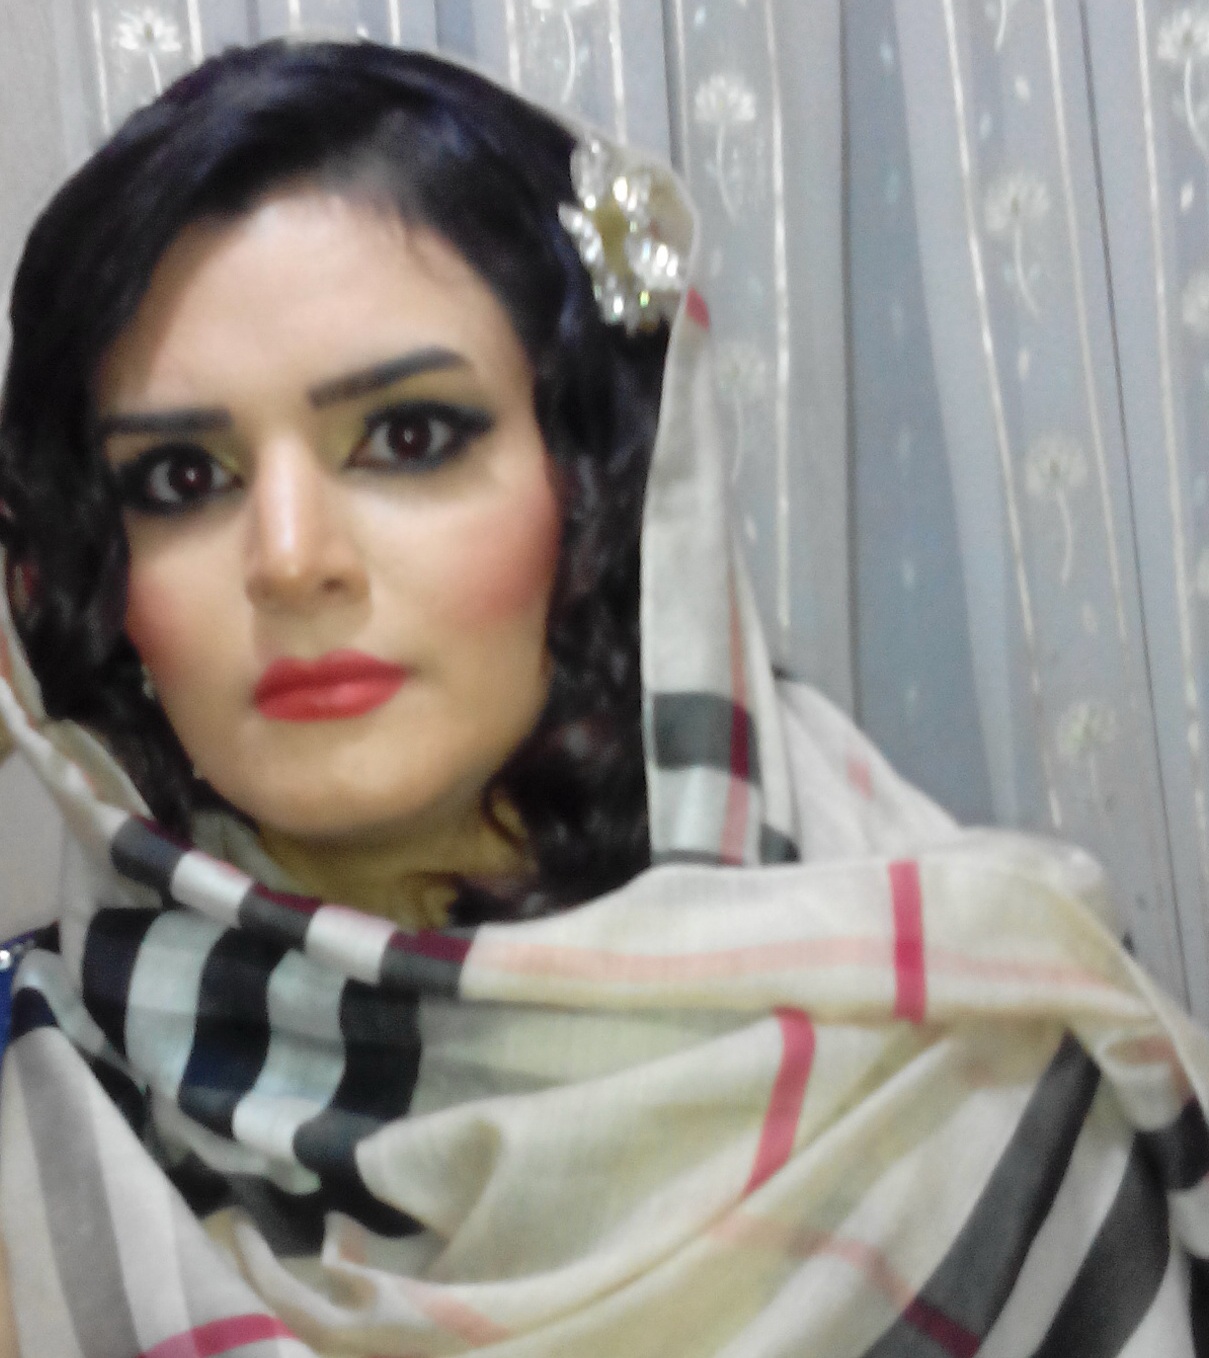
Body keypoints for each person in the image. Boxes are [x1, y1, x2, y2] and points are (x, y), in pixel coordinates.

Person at [0, 37, 1205, 1358]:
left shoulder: (969, 1057)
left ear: (601, 489)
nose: (291, 559)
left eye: (407, 436)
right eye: (181, 478)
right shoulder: (47, 1125)